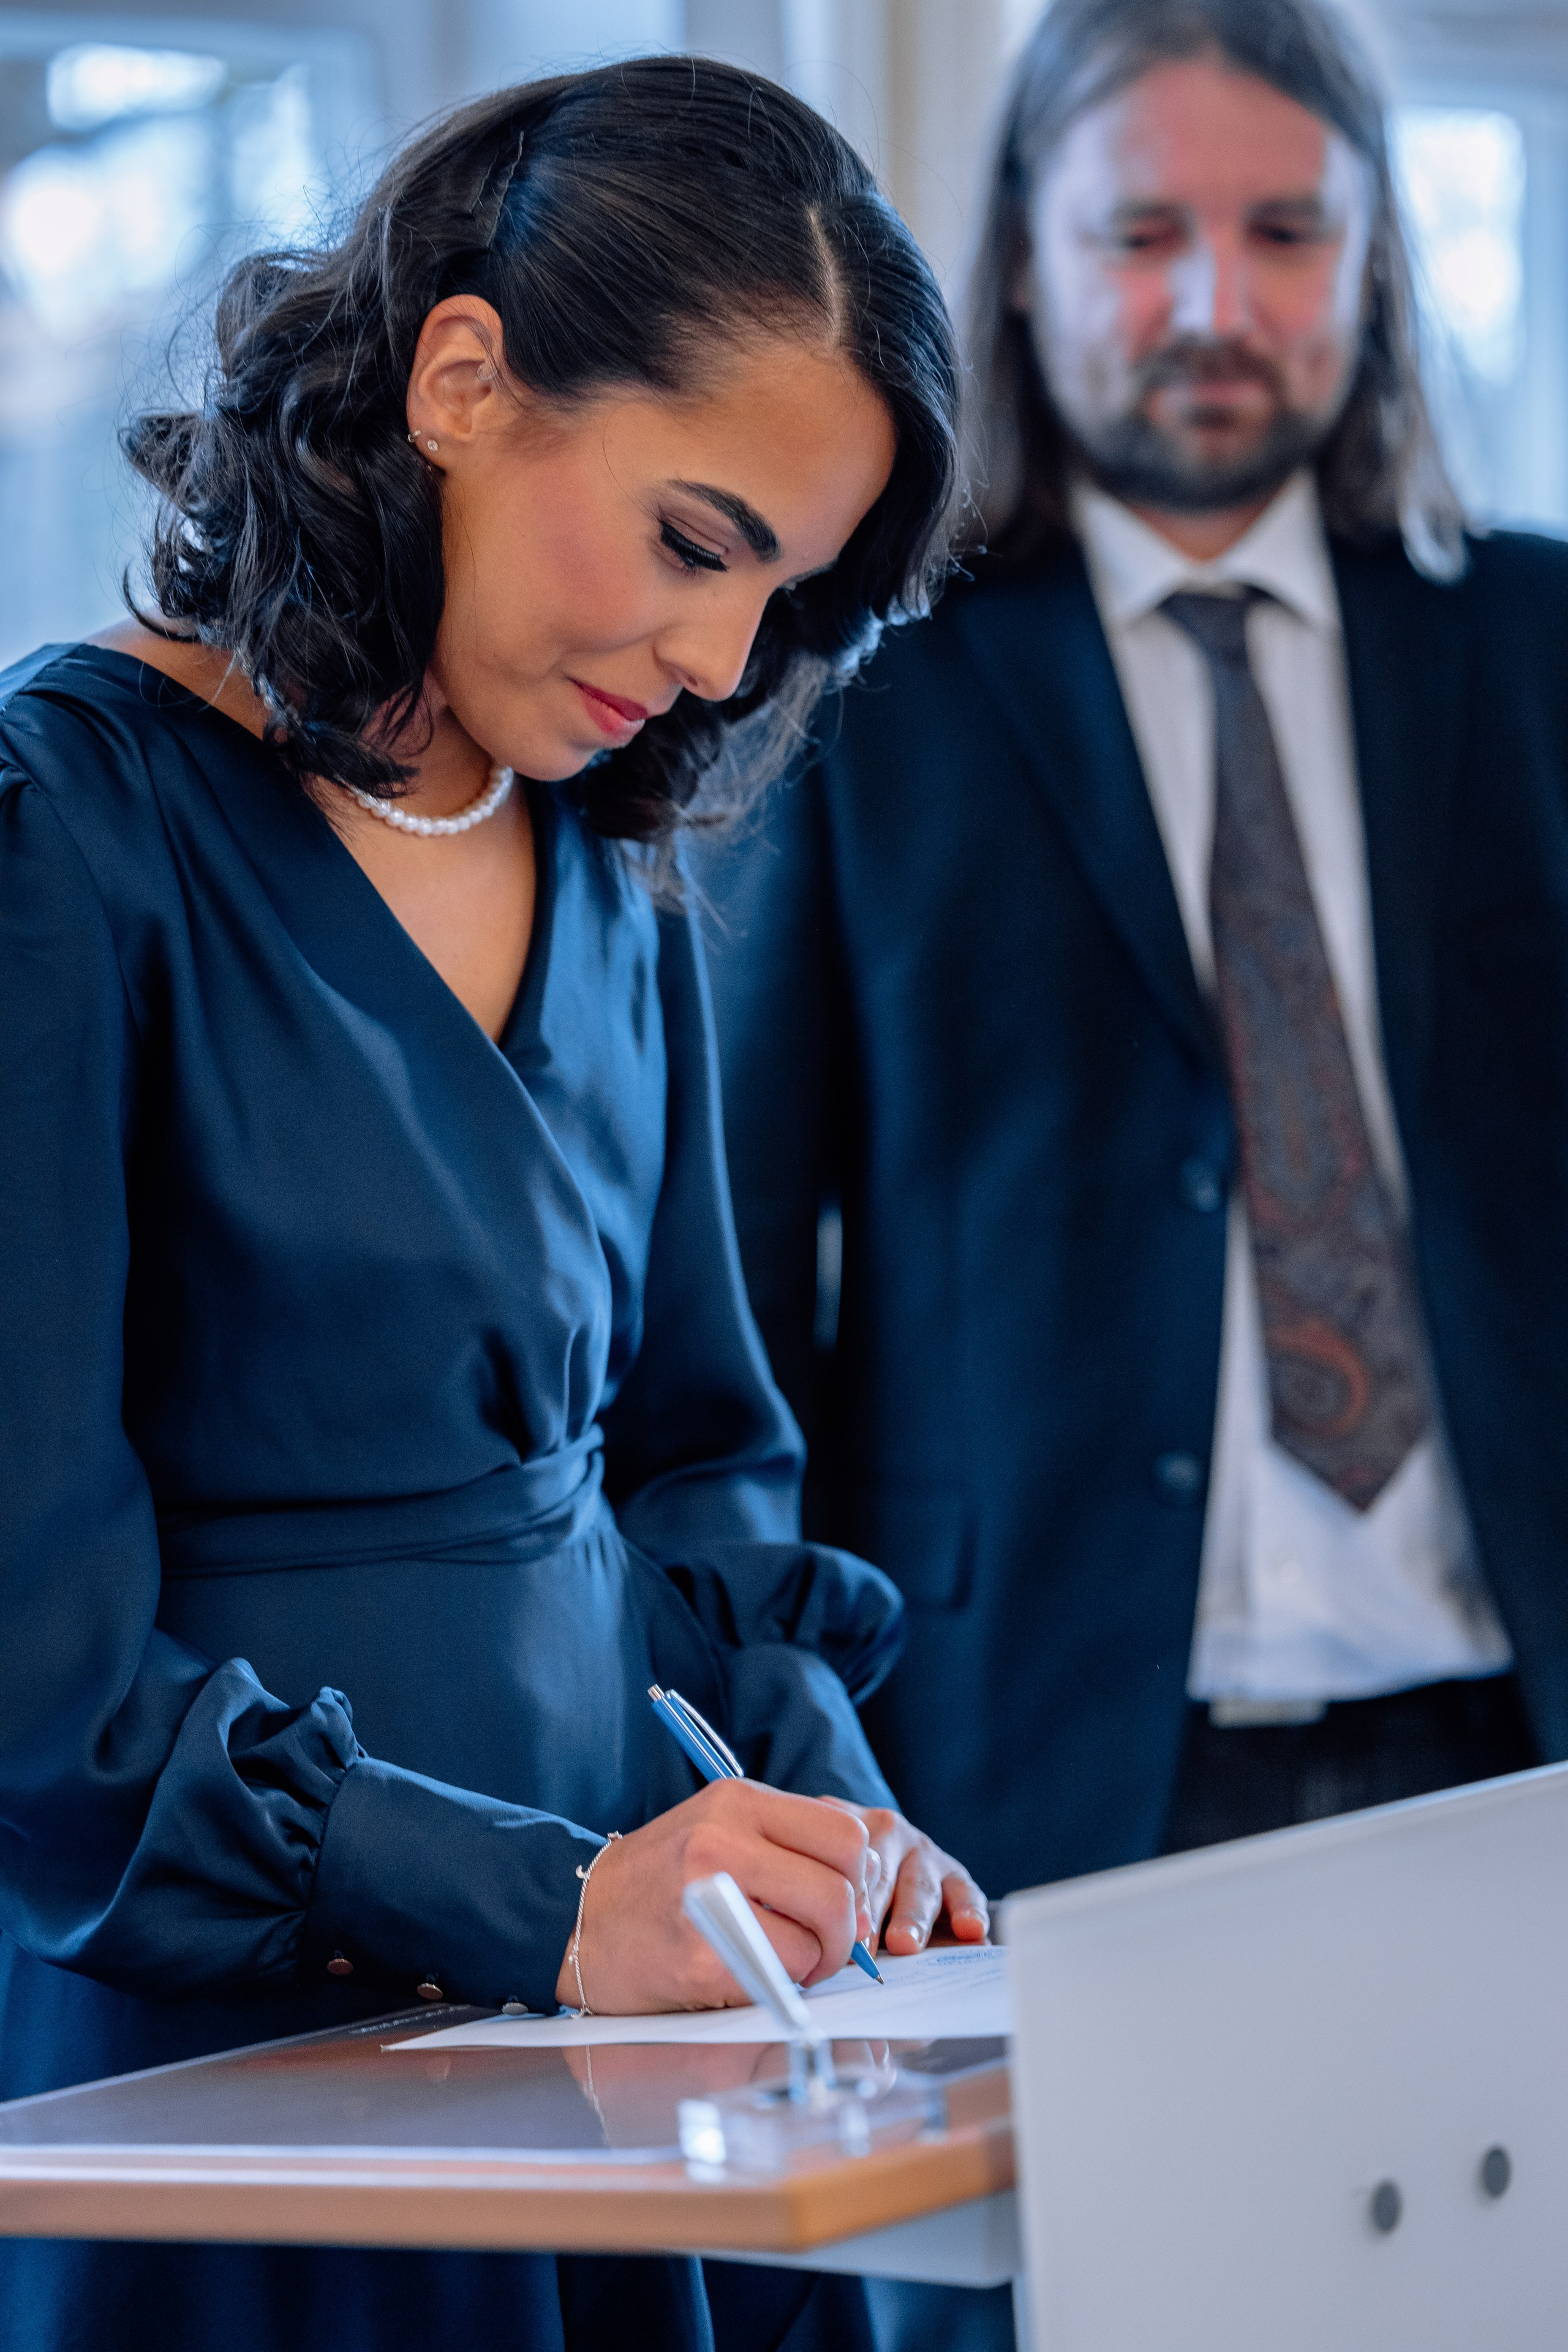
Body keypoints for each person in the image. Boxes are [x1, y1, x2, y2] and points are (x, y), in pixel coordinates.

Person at [0, 59, 989, 2352]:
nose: (726, 667)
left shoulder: (614, 872)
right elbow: (31, 1677)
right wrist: (537, 1905)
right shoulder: (68, 832)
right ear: (462, 380)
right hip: (236, 2086)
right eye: (694, 541)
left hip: (642, 2054)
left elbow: (697, 1469)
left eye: (789, 597)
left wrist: (834, 1838)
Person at [706, 10, 1566, 2336]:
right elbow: (732, 1297)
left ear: (1374, 260)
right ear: (1024, 262)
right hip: (1033, 1779)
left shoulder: (1537, 639)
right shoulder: (847, 690)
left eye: (1284, 231)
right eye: (1143, 233)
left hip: (1510, 1747)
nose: (1213, 301)